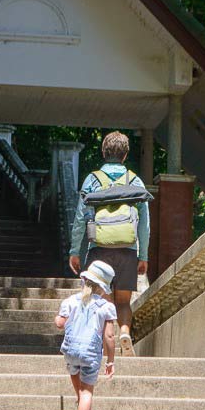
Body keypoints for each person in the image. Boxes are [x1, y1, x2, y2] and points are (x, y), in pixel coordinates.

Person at [68, 131, 150, 356]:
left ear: (104, 153)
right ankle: (124, 331)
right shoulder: (135, 180)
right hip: (127, 249)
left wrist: (75, 250)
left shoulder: (92, 180)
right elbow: (144, 223)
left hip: (99, 249)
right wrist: (143, 256)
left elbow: (79, 218)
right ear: (125, 155)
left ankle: (107, 344)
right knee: (123, 302)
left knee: (101, 302)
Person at [55, 260, 117, 410]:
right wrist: (110, 361)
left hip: (71, 350)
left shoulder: (70, 301)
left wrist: (57, 318)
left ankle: (79, 398)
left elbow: (60, 323)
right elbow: (110, 336)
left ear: (83, 280)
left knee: (74, 372)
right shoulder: (106, 307)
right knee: (87, 391)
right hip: (90, 354)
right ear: (103, 289)